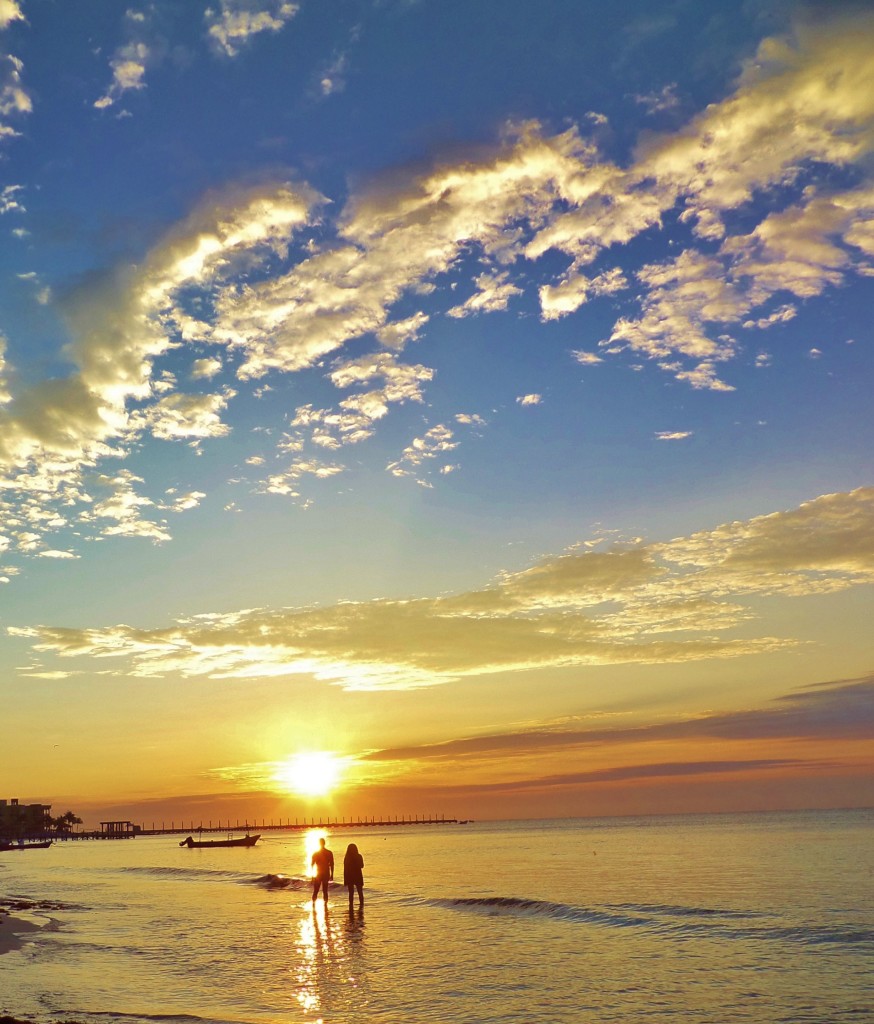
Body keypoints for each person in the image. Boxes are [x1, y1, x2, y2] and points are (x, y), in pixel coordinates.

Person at [311, 837, 334, 905]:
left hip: (319, 873)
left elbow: (312, 865)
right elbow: (332, 864)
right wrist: (332, 874)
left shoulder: (315, 853)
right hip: (325, 873)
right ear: (324, 843)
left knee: (316, 890)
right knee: (325, 890)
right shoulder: (329, 853)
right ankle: (325, 905)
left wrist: (312, 875)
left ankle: (314, 904)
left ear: (319, 844)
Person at [343, 842, 364, 912]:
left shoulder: (347, 858)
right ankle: (361, 906)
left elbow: (345, 869)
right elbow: (362, 866)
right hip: (358, 875)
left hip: (350, 876)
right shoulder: (359, 856)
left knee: (351, 893)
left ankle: (351, 906)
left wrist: (345, 879)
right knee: (360, 892)